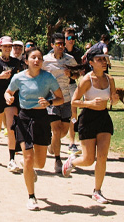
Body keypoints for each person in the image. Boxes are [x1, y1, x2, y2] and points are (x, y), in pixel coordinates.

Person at [6, 46, 65, 211]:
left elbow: (60, 98)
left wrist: (50, 102)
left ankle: (31, 172)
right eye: (33, 58)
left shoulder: (48, 78)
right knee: (28, 159)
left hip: (42, 119)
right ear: (26, 61)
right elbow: (8, 92)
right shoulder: (19, 77)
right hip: (24, 119)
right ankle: (31, 196)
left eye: (39, 58)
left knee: (39, 163)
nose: (37, 60)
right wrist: (9, 98)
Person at [62, 52, 117, 204]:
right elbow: (74, 102)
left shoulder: (109, 79)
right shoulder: (86, 80)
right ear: (91, 62)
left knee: (102, 157)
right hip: (88, 119)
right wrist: (90, 104)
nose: (103, 62)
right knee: (88, 159)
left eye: (104, 59)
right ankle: (72, 162)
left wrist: (115, 99)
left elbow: (113, 100)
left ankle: (97, 191)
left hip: (104, 118)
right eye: (99, 60)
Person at [0, 35, 24, 170]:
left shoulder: (16, 62)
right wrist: (0, 76)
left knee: (11, 128)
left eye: (9, 46)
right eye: (5, 46)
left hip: (11, 97)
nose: (8, 48)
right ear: (0, 47)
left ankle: (12, 159)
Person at [43, 34, 78, 175]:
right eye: (58, 44)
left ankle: (53, 146)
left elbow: (77, 75)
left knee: (63, 131)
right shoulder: (45, 60)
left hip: (66, 98)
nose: (61, 46)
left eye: (62, 44)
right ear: (52, 45)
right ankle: (58, 160)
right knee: (56, 130)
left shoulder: (70, 59)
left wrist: (71, 75)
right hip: (52, 99)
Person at [63, 28, 85, 154]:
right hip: (59, 86)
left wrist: (71, 75)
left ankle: (72, 142)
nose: (70, 40)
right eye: (67, 38)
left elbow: (78, 73)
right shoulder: (60, 51)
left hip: (71, 85)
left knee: (73, 114)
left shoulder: (77, 53)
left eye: (72, 38)